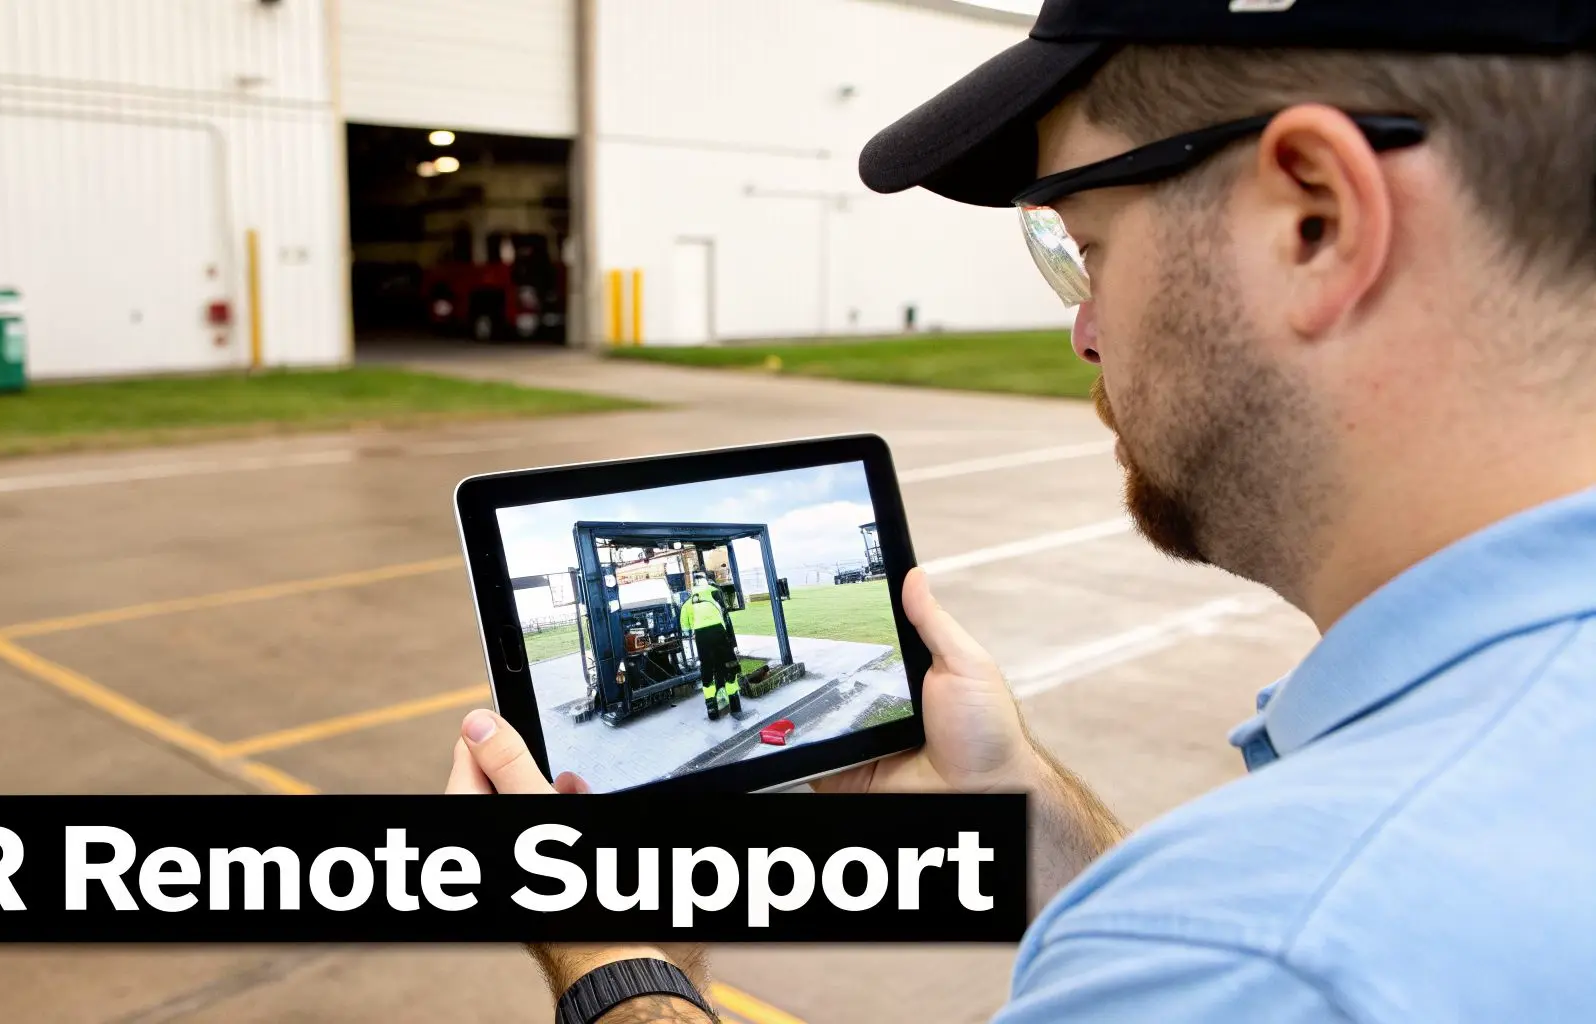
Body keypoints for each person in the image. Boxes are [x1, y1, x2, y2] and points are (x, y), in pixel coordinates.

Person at [447, 1, 1596, 1020]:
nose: (1082, 331)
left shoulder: (1269, 954)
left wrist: (613, 964)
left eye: (1084, 245)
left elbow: (1239, 958)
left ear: (1315, 221)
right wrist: (1010, 791)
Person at [678, 573, 741, 720]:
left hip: (701, 637)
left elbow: (685, 627)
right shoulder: (715, 593)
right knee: (729, 666)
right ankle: (735, 703)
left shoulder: (688, 603)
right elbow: (726, 613)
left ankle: (712, 708)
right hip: (719, 633)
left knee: (706, 669)